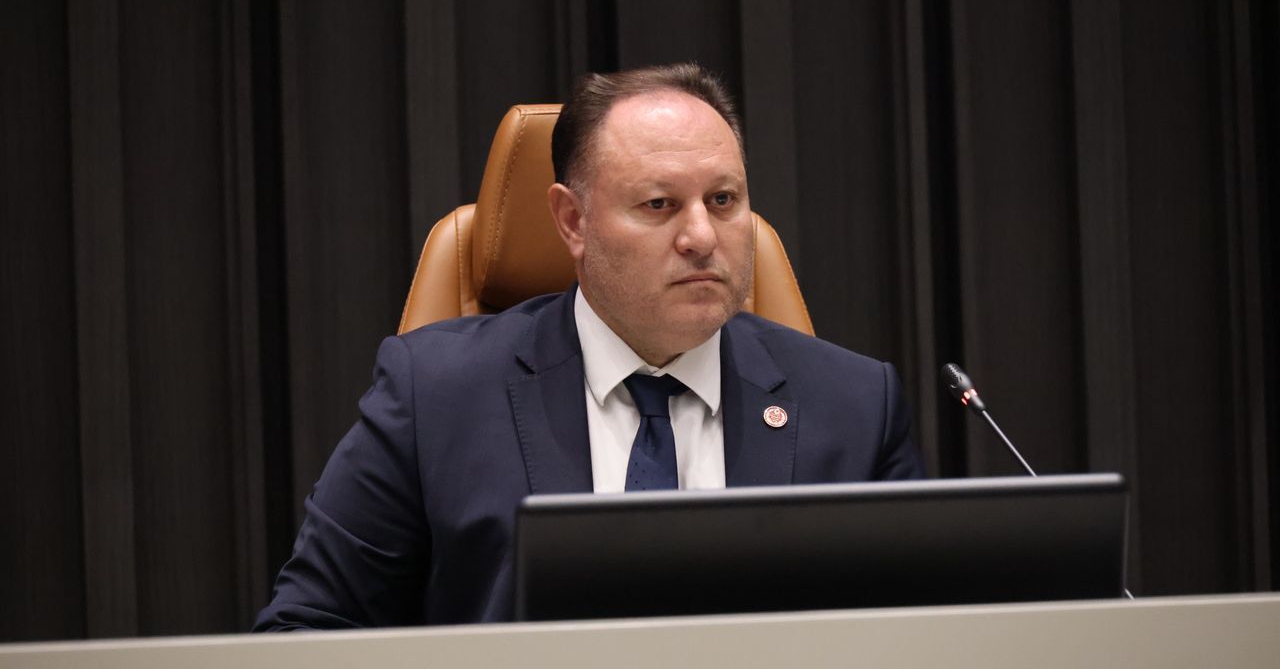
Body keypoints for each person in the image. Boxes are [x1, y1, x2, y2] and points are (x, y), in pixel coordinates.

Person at [254, 63, 924, 630]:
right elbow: (304, 631)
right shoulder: (434, 396)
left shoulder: (858, 407)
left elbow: (925, 637)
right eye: (659, 205)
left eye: (723, 200)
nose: (701, 236)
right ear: (572, 221)